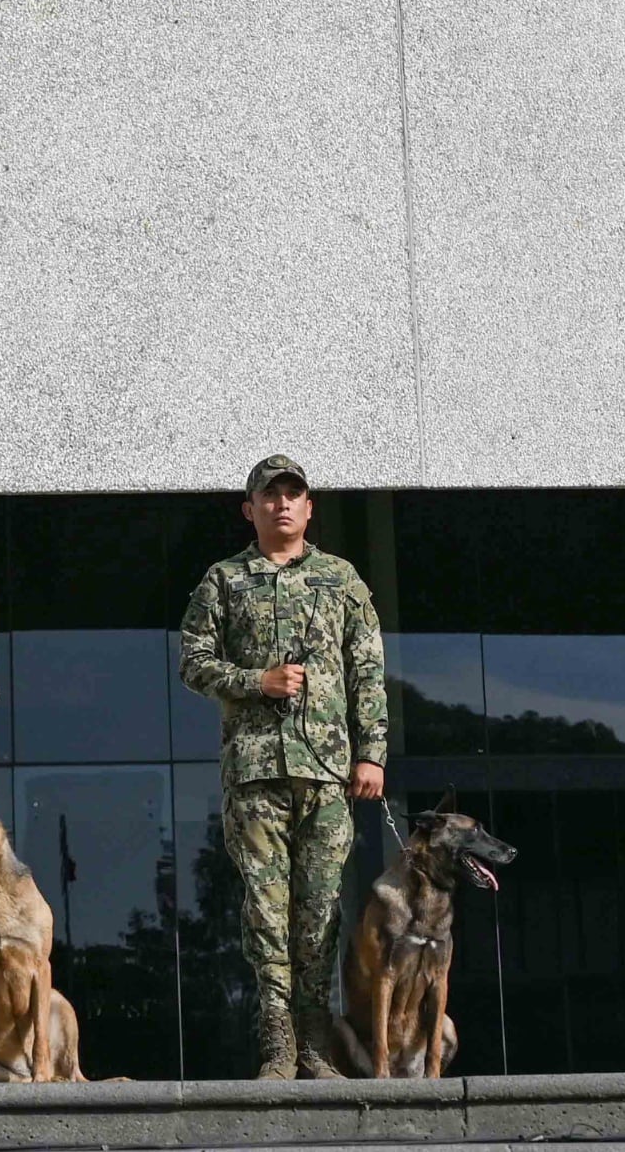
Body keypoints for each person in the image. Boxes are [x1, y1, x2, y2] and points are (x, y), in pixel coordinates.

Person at [177, 453, 386, 1079]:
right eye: (270, 496)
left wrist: (371, 752)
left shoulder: (342, 579)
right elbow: (192, 661)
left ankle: (317, 1039)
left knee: (320, 907)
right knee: (265, 910)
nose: (283, 504)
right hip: (256, 773)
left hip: (326, 772)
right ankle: (277, 1040)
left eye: (294, 495)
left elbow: (368, 670)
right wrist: (255, 681)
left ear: (310, 507)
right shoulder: (223, 580)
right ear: (251, 509)